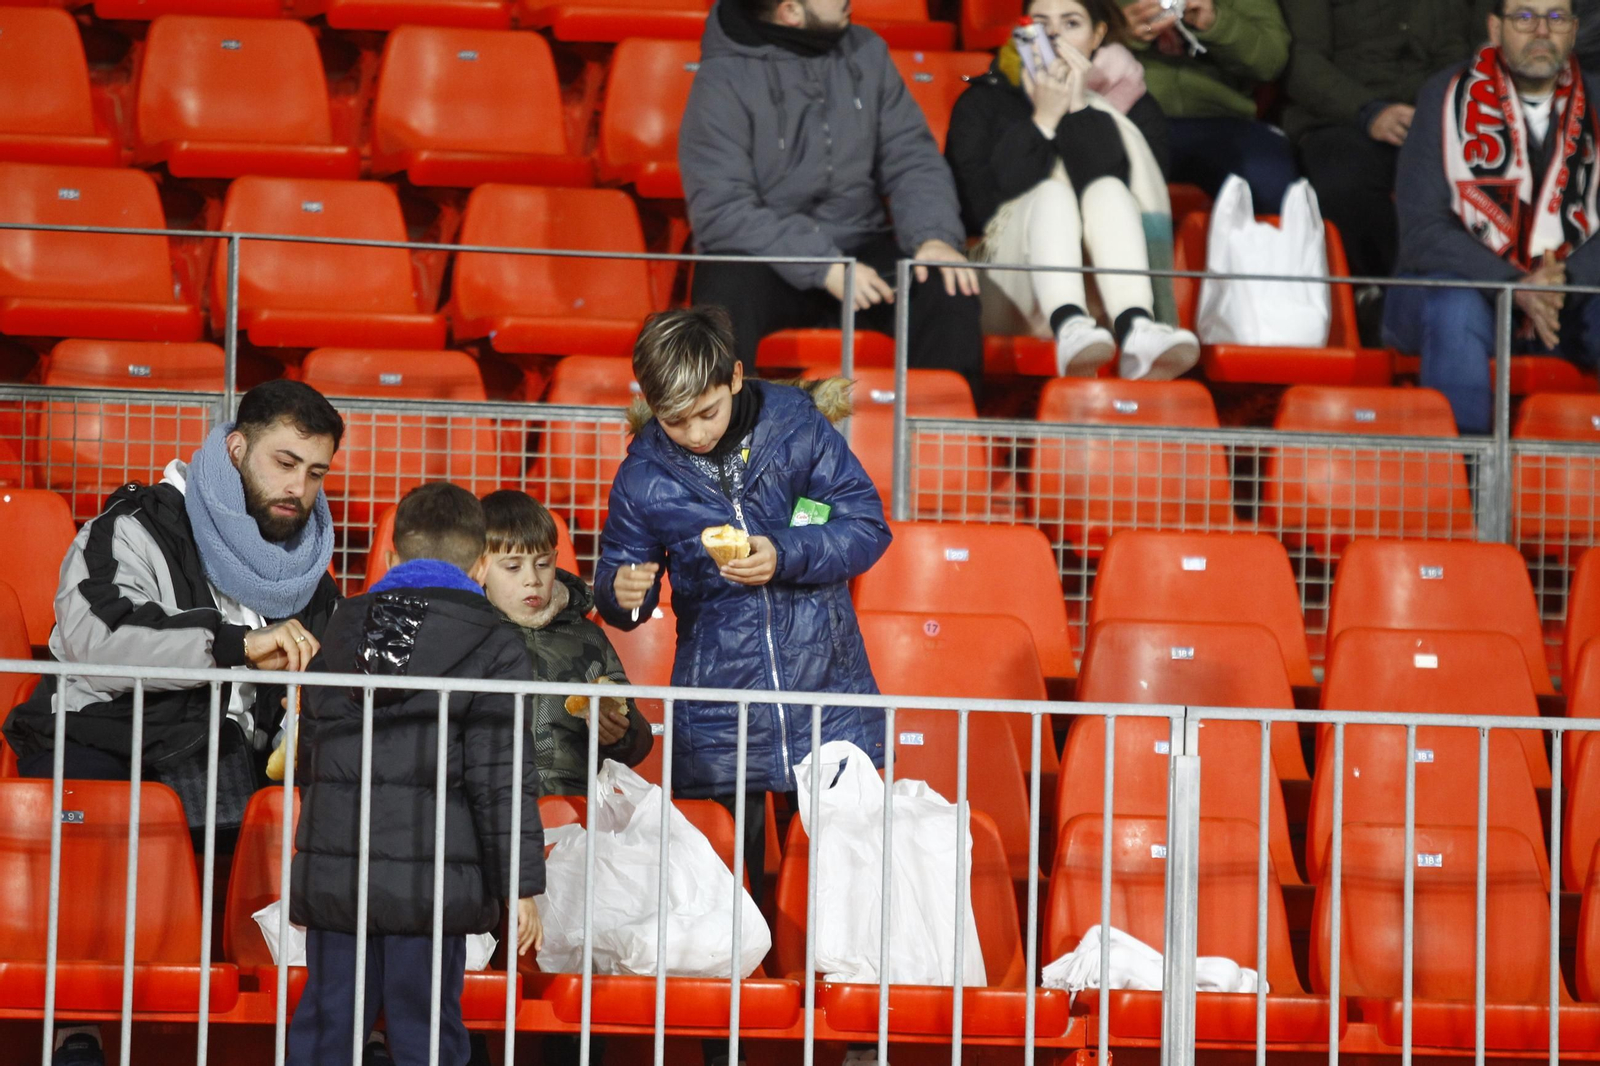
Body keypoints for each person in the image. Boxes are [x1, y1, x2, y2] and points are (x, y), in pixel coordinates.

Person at [1, 379, 345, 1066]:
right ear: (237, 446)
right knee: (103, 792)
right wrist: (232, 644)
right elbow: (100, 633)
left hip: (225, 759)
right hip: (100, 733)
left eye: (315, 473)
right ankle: (78, 1031)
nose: (298, 489)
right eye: (283, 462)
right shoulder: (131, 526)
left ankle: (338, 1024)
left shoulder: (312, 579)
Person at [592, 307, 890, 899]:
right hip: (718, 706)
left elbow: (866, 526)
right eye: (676, 421)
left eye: (707, 412)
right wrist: (622, 592)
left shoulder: (798, 425)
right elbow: (618, 578)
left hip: (826, 687)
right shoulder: (642, 476)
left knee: (840, 888)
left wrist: (783, 553)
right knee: (729, 891)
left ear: (734, 376)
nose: (697, 433)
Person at [288, 482, 545, 1066]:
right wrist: (520, 883)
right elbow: (499, 774)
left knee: (329, 1028)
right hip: (429, 885)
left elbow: (312, 760)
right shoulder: (496, 641)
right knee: (426, 1034)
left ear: (394, 558)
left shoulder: (340, 626)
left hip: (339, 877)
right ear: (481, 562)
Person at [679, 0, 985, 396]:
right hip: (769, 258)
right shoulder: (722, 78)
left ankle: (939, 449)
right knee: (721, 292)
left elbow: (912, 159)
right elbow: (721, 210)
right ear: (790, 10)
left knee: (946, 283)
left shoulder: (867, 50)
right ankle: (729, 452)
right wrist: (823, 265)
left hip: (862, 249)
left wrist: (934, 238)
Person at [946, 0, 1201, 379]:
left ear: (1097, 35)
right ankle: (1070, 326)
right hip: (1004, 282)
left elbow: (1122, 195)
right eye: (1041, 23)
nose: (1053, 36)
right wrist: (1043, 121)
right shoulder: (984, 100)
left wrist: (1078, 106)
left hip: (1102, 292)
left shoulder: (1133, 108)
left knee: (1110, 190)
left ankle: (1136, 327)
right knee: (1052, 194)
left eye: (1070, 23)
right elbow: (977, 207)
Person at [1385, 0, 1600, 433]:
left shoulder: (1598, 100)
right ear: (1495, 28)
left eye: (1556, 17)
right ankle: (1465, 487)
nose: (1541, 30)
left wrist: (1559, 281)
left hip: (1567, 294)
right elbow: (1424, 233)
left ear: (1574, 31)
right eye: (1524, 16)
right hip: (1451, 289)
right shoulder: (1443, 95)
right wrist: (1515, 286)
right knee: (1455, 306)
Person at [1281, 0, 1470, 294]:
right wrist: (1368, 113)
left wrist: (1437, 109)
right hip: (1344, 117)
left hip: (1434, 115)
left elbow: (1458, 51)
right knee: (1343, 181)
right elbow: (1302, 64)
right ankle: (1393, 290)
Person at [478, 489, 653, 796]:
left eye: (542, 564)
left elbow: (635, 740)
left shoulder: (586, 637)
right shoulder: (467, 634)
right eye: (513, 567)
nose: (531, 578)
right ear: (480, 568)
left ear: (556, 561)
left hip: (574, 806)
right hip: (488, 801)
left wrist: (621, 733)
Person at [1118, 0, 1298, 210]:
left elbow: (1271, 62)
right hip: (1126, 117)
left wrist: (1216, 23)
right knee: (1099, 179)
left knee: (1272, 181)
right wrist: (1118, 32)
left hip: (1222, 120)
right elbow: (1072, 48)